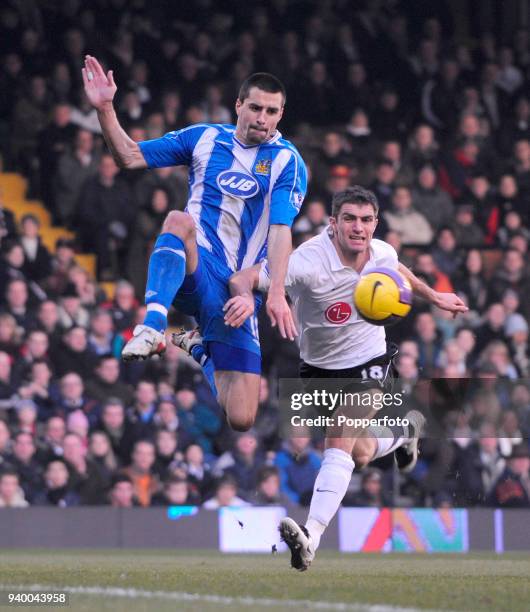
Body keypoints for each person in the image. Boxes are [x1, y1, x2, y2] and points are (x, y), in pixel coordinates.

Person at [215, 186, 467, 570]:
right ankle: (403, 432)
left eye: (366, 220)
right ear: (332, 223)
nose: (359, 227)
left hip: (370, 362)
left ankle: (310, 534)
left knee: (339, 434)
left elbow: (397, 270)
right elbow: (244, 277)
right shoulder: (305, 262)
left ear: (376, 223)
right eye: (349, 218)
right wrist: (262, 296)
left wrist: (435, 296)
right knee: (359, 453)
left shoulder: (383, 252)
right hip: (318, 370)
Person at [83, 56, 306, 433]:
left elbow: (281, 230)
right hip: (197, 266)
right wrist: (105, 108)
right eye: (255, 107)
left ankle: (198, 347)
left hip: (236, 292)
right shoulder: (204, 137)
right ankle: (153, 325)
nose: (262, 118)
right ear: (238, 105)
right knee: (178, 220)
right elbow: (129, 155)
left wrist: (273, 293)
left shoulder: (288, 162)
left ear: (281, 114)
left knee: (241, 417)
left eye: (271, 111)